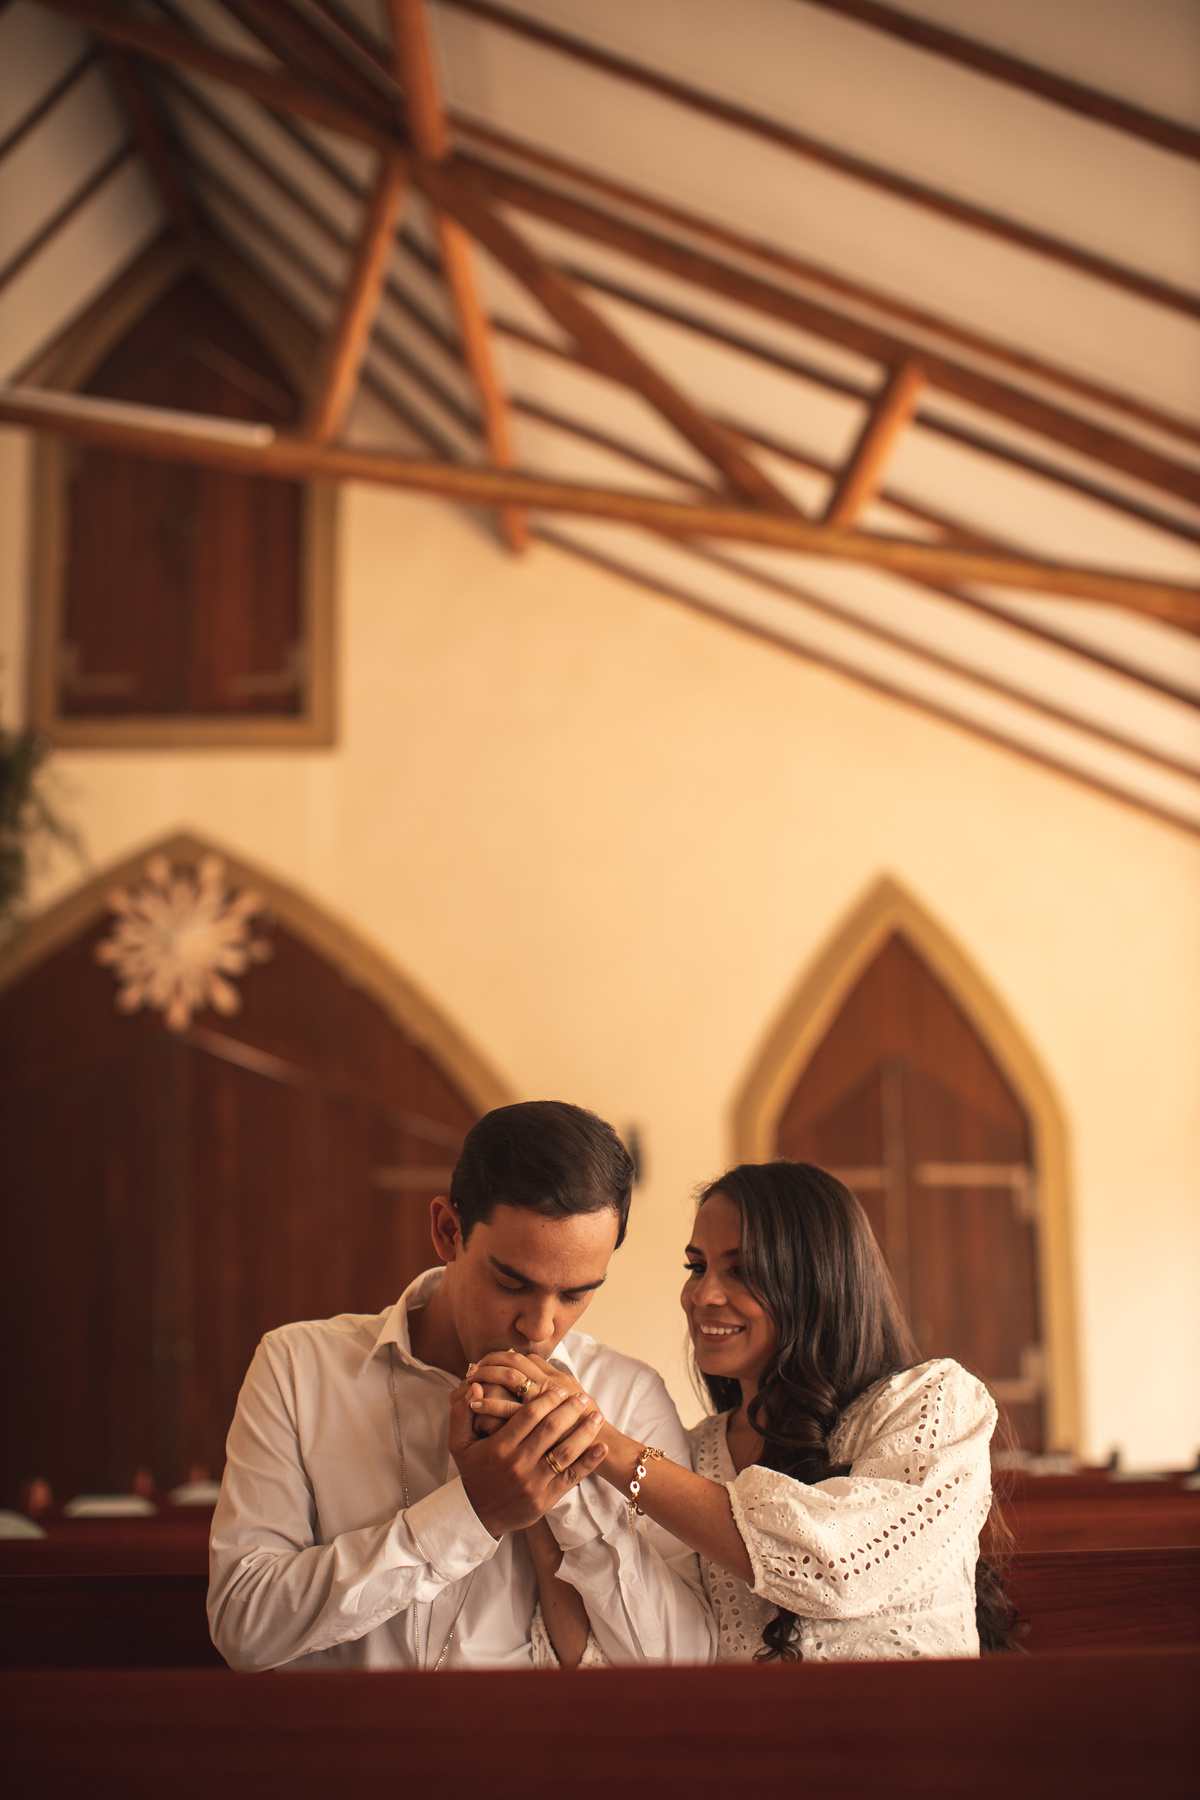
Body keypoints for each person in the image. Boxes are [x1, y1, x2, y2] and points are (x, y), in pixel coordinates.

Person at [208, 1101, 715, 1670]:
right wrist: (475, 1513)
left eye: (575, 1294)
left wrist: (567, 1496)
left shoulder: (629, 1394)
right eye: (512, 1283)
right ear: (448, 1231)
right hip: (337, 1729)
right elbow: (243, 1624)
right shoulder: (297, 1367)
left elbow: (684, 1660)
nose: (540, 1327)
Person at [468, 1160, 1010, 1662]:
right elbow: (628, 1656)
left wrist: (591, 1432)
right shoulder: (695, 1454)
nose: (703, 1295)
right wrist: (538, 1461)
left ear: (817, 1281)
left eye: (742, 1271)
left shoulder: (932, 1403)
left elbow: (838, 1567)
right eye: (697, 1266)